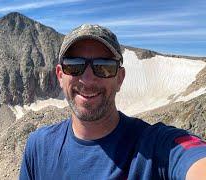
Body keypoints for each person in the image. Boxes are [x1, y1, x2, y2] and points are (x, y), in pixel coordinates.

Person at [19, 24, 206, 179]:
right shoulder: (38, 147)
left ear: (120, 78)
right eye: (74, 66)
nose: (88, 79)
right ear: (60, 75)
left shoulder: (156, 145)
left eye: (103, 67)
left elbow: (192, 156)